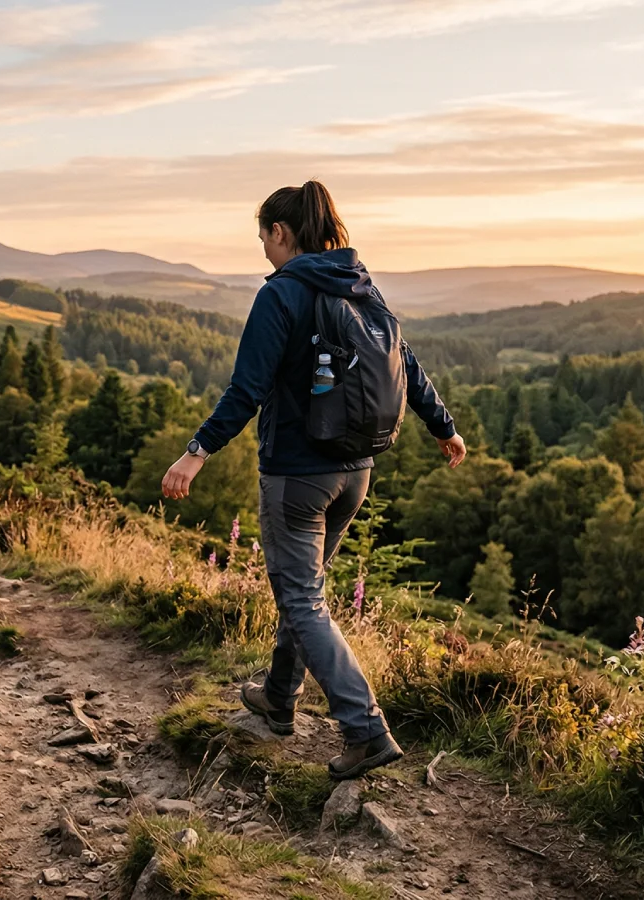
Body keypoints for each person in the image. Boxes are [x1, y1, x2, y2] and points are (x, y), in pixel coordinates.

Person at [160, 181, 466, 780]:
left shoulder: (283, 294)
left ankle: (366, 728)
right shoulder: (360, 284)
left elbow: (246, 389)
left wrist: (195, 453)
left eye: (264, 238)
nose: (264, 252)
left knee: (301, 598)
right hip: (356, 472)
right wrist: (442, 426)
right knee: (304, 595)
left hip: (297, 476)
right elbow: (406, 362)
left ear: (281, 232)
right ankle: (278, 695)